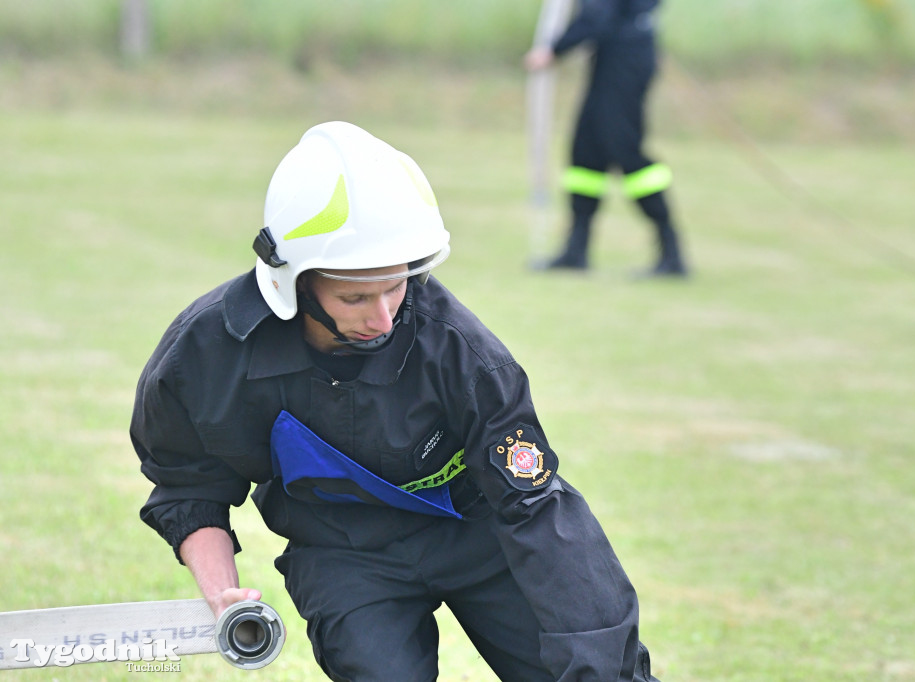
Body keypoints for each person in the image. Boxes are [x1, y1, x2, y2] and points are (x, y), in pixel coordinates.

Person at [131, 121, 660, 681]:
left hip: (478, 532)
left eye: (396, 286)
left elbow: (535, 508)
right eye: (355, 296)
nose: (382, 318)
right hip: (342, 551)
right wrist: (223, 596)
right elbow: (189, 485)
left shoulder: (463, 355)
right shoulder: (208, 355)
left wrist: (600, 660)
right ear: (296, 281)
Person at [524, 0, 688, 276]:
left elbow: (597, 17)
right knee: (587, 152)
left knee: (625, 150)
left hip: (625, 61)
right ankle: (576, 250)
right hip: (613, 56)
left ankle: (671, 253)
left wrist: (552, 51)